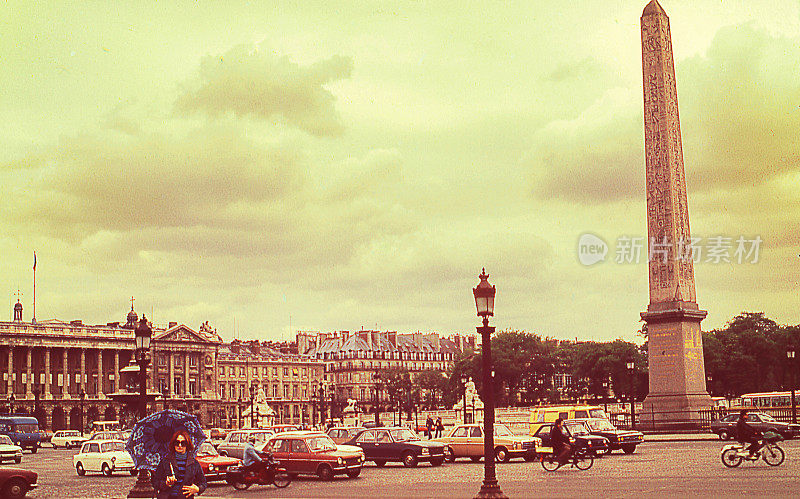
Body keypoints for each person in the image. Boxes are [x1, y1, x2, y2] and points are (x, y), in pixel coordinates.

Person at [151, 430, 206, 499]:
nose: (180, 446)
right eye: (177, 443)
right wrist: (166, 484)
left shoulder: (194, 463)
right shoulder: (165, 461)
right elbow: (155, 482)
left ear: (187, 444)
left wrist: (197, 489)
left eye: (183, 443)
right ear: (173, 444)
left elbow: (203, 482)